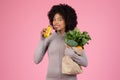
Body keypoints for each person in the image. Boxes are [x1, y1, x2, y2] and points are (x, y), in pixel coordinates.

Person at [34, 4, 88, 80]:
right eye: (54, 19)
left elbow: (85, 62)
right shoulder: (50, 38)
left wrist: (72, 55)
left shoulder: (74, 37)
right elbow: (36, 60)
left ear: (67, 20)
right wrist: (42, 40)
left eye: (60, 19)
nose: (56, 22)